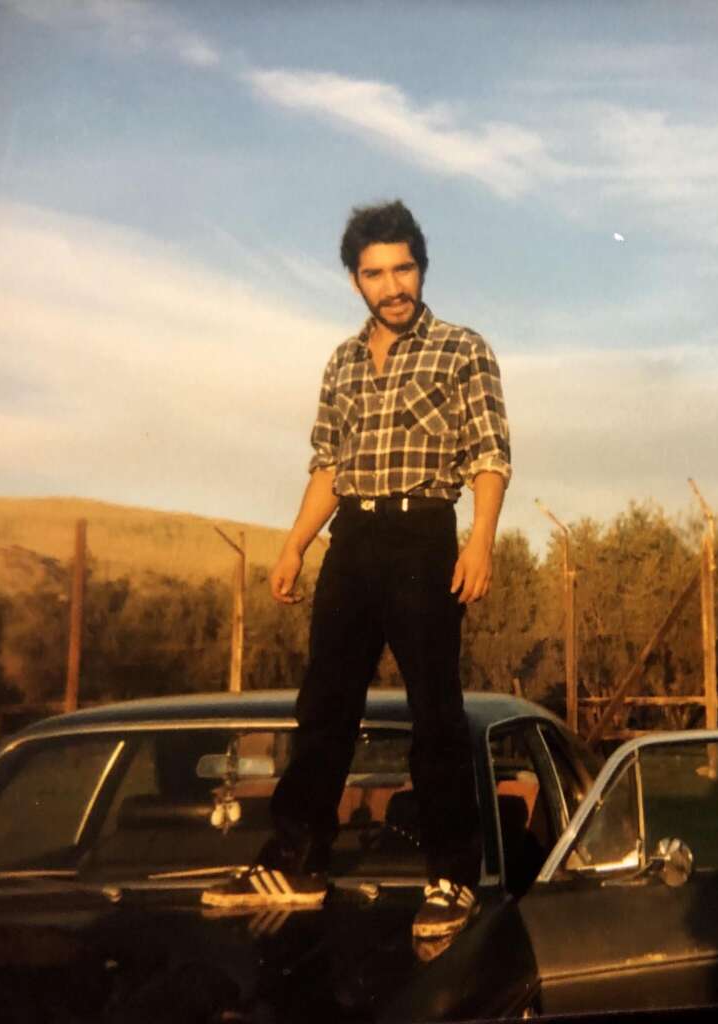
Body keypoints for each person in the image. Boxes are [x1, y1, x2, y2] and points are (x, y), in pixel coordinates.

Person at [203, 200, 511, 943]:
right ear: (355, 282)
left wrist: (481, 541)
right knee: (324, 706)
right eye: (375, 273)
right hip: (353, 542)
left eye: (403, 267)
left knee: (435, 712)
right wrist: (294, 545)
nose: (392, 284)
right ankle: (295, 858)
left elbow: (490, 455)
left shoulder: (462, 349)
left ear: (422, 268)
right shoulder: (341, 362)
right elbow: (329, 469)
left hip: (424, 536)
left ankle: (450, 875)